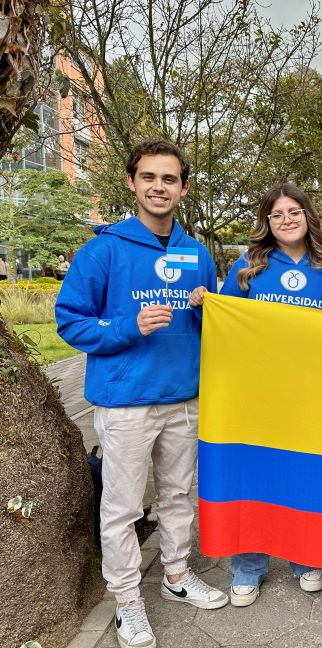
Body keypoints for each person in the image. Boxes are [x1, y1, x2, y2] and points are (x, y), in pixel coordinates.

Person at [55, 139, 226, 648]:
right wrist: (128, 326)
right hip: (125, 402)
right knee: (123, 508)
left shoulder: (197, 253)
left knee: (177, 498)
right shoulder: (104, 249)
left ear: (183, 188)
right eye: (149, 177)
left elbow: (214, 325)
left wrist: (203, 309)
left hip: (184, 400)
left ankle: (175, 577)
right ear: (132, 182)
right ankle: (127, 601)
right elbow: (70, 321)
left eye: (169, 179)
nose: (159, 187)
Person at [190, 183, 322, 606]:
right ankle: (248, 565)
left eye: (294, 212)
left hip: (310, 395)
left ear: (308, 216)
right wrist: (204, 306)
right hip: (257, 395)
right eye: (277, 214)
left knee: (303, 476)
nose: (286, 220)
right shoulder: (247, 268)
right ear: (266, 223)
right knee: (254, 478)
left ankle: (306, 559)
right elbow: (225, 326)